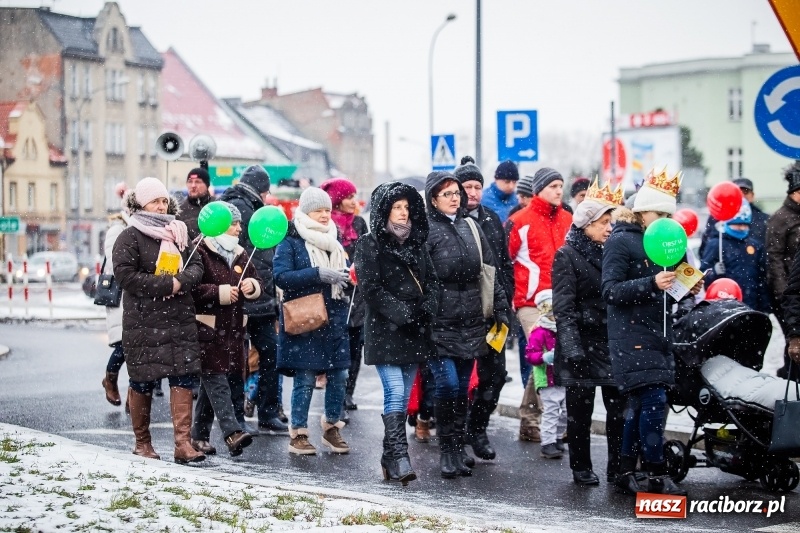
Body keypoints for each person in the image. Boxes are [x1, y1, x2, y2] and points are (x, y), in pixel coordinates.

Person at [602, 168, 700, 496]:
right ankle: (656, 474)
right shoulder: (621, 240)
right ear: (644, 212)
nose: (666, 221)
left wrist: (690, 282)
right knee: (654, 399)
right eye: (661, 215)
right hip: (629, 333)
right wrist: (650, 283)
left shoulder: (666, 240)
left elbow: (674, 279)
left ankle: (627, 469)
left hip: (659, 331)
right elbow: (611, 290)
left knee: (642, 404)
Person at [112, 177, 205, 464]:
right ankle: (142, 443)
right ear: (140, 204)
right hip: (144, 322)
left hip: (179, 319)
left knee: (183, 377)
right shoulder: (129, 236)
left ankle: (183, 444)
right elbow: (125, 276)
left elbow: (197, 266)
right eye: (155, 200)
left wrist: (180, 282)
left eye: (164, 200)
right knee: (142, 381)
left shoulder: (179, 231)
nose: (162, 205)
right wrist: (166, 285)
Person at [424, 171, 509, 478]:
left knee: (461, 388)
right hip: (439, 323)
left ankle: (459, 448)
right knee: (445, 384)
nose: (454, 197)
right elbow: (418, 281)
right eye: (447, 193)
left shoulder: (471, 226)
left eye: (456, 193)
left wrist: (501, 310)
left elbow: (490, 272)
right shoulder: (425, 231)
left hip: (471, 320)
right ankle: (446, 450)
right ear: (433, 198)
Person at [354, 181, 437, 484]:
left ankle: (389, 457)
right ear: (384, 210)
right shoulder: (369, 243)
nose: (403, 213)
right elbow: (371, 289)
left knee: (402, 397)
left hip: (415, 331)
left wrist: (425, 309)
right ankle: (401, 457)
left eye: (406, 207)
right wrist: (403, 314)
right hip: (386, 329)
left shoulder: (417, 243)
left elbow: (432, 282)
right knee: (396, 391)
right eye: (396, 207)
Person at [552, 183, 624, 486]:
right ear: (586, 225)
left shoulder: (612, 252)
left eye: (611, 222)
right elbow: (564, 309)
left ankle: (618, 467)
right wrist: (573, 350)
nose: (609, 228)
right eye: (603, 223)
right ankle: (580, 466)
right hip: (580, 343)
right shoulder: (566, 256)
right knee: (579, 413)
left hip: (610, 341)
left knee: (618, 410)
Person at [274, 187, 352, 455]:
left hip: (335, 320)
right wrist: (318, 273)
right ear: (306, 211)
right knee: (305, 378)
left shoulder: (335, 238)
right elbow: (282, 277)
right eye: (318, 210)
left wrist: (349, 278)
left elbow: (342, 276)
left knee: (340, 375)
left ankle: (331, 427)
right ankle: (298, 433)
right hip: (305, 319)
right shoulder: (291, 240)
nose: (324, 215)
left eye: (327, 210)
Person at [189, 202, 262, 457]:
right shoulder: (199, 251)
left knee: (214, 382)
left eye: (240, 223)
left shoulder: (242, 253)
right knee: (216, 380)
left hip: (233, 332)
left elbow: (255, 280)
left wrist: (253, 287)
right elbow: (189, 288)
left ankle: (197, 437)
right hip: (206, 329)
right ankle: (232, 432)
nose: (239, 228)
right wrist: (217, 292)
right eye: (233, 223)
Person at [454, 156, 514, 461]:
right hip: (461, 315)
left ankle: (478, 428)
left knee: (495, 375)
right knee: (462, 379)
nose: (473, 192)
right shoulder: (448, 221)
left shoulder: (491, 219)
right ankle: (457, 436)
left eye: (478, 186)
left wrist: (507, 308)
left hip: (493, 313)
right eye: (467, 186)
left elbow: (504, 266)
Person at [219, 165, 287, 433]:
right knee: (265, 355)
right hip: (253, 295)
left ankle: (239, 415)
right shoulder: (248, 209)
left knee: (239, 357)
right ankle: (265, 413)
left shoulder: (230, 205)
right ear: (262, 190)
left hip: (243, 295)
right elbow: (258, 256)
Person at [506, 167, 572, 443]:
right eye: (553, 186)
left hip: (563, 301)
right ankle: (536, 419)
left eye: (561, 185)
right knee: (545, 350)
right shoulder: (519, 221)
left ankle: (535, 418)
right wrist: (510, 298)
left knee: (556, 356)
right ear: (539, 189)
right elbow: (503, 261)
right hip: (531, 302)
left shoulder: (569, 219)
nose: (559, 190)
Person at [320, 178, 368, 416]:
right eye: (348, 197)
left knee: (355, 347)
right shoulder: (326, 226)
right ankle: (335, 394)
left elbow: (368, 253)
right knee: (337, 348)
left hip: (358, 295)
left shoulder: (359, 224)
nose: (353, 202)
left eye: (354, 196)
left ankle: (348, 392)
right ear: (337, 200)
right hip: (335, 293)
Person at [700, 200, 770, 313]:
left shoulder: (755, 245)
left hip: (751, 305)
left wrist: (765, 307)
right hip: (723, 305)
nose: (742, 228)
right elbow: (702, 277)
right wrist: (714, 272)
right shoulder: (716, 244)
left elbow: (762, 279)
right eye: (738, 224)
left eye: (745, 225)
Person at [767, 161, 800, 381]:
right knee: (794, 341)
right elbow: (774, 258)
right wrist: (782, 294)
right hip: (791, 293)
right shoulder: (780, 219)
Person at [524, 290, 566, 460]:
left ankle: (557, 437)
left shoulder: (564, 329)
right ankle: (547, 443)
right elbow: (530, 355)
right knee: (551, 411)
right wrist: (543, 357)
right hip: (546, 378)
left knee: (565, 411)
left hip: (563, 377)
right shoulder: (539, 332)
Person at [101, 182, 130, 408]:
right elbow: (116, 263)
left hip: (136, 295)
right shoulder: (117, 230)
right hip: (120, 295)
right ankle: (110, 380)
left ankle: (135, 395)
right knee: (124, 345)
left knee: (139, 350)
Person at [700, 177, 770, 257]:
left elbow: (770, 248)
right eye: (737, 191)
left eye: (745, 191)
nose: (742, 195)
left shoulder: (763, 219)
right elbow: (706, 246)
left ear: (752, 196)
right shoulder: (717, 217)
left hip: (753, 265)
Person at [178, 167, 216, 241]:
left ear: (207, 185)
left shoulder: (217, 206)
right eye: (190, 181)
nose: (193, 185)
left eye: (198, 182)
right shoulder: (180, 210)